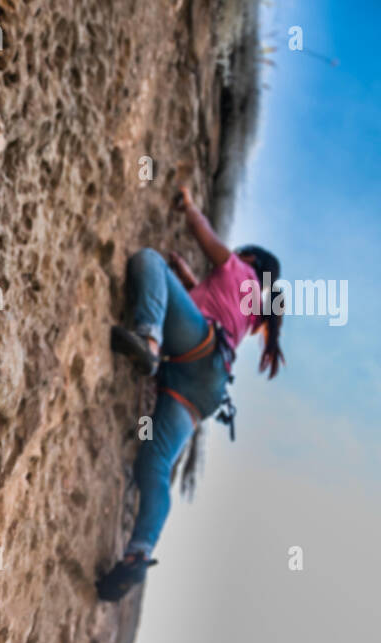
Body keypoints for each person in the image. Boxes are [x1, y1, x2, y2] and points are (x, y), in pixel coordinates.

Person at [96, 186, 284, 601]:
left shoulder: (241, 269)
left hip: (194, 352)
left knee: (147, 260)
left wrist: (187, 203)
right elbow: (212, 304)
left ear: (250, 259)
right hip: (205, 388)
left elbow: (205, 235)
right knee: (156, 464)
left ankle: (148, 341)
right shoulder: (251, 305)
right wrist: (188, 280)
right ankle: (138, 554)